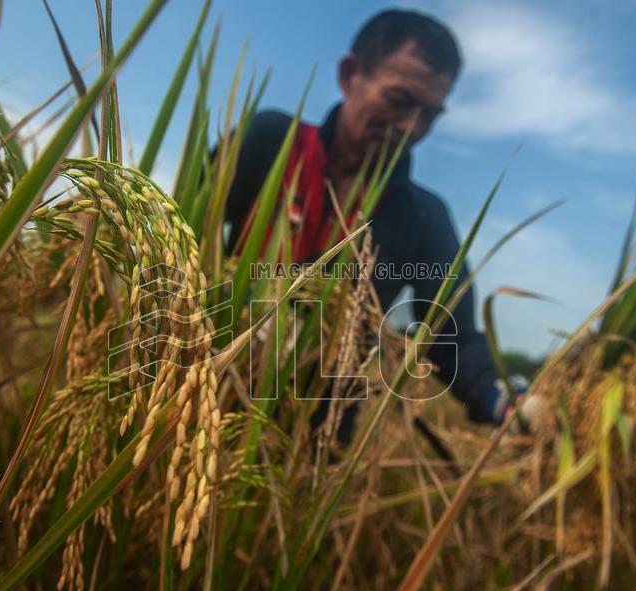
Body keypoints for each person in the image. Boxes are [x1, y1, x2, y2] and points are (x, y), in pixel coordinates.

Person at [223, 9, 528, 426]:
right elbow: (183, 233)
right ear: (351, 75)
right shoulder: (272, 143)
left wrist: (508, 401)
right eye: (399, 100)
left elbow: (450, 337)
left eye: (429, 115)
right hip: (211, 391)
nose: (411, 128)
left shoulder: (422, 216)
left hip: (315, 433)